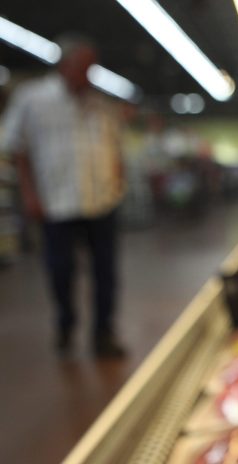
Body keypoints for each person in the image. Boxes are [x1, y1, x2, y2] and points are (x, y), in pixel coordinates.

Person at [1, 35, 127, 358]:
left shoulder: (100, 104)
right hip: (57, 203)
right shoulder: (32, 99)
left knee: (106, 272)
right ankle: (66, 323)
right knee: (61, 270)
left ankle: (103, 333)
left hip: (101, 201)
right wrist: (29, 194)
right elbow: (17, 148)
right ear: (65, 65)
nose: (88, 75)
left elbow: (115, 147)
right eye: (84, 68)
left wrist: (117, 181)